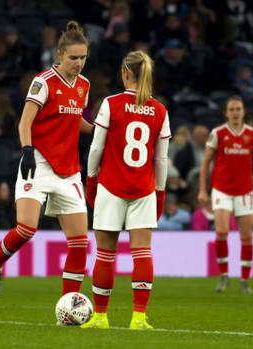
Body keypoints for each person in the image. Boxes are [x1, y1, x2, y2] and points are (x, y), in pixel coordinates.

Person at [0, 21, 94, 302]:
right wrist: (27, 150)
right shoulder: (43, 82)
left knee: (80, 242)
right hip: (38, 161)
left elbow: (74, 119)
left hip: (69, 170)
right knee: (26, 229)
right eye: (73, 58)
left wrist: (101, 129)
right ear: (59, 54)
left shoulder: (83, 85)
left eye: (83, 58)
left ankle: (69, 305)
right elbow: (25, 122)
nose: (79, 63)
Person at [80, 51, 170, 330]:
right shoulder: (160, 110)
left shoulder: (111, 103)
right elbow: (162, 159)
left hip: (110, 185)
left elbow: (96, 147)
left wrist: (91, 180)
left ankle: (100, 317)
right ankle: (139, 318)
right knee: (142, 252)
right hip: (143, 188)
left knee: (105, 254)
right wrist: (160, 192)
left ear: (125, 74)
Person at [198, 95, 253, 294]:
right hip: (222, 190)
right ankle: (224, 275)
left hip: (244, 191)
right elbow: (206, 163)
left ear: (243, 112)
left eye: (238, 109)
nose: (235, 113)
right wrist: (202, 189)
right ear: (226, 113)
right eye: (232, 109)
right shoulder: (218, 133)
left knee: (247, 237)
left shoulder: (252, 134)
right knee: (222, 231)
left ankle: (244, 280)